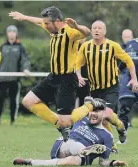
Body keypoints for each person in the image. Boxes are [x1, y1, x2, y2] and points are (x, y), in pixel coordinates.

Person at [9, 6, 90, 140]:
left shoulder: (70, 32)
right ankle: (60, 125)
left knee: (67, 121)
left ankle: (90, 106)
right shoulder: (51, 28)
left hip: (67, 79)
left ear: (57, 21)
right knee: (28, 101)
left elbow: (86, 32)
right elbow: (38, 21)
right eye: (45, 23)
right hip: (53, 77)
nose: (45, 26)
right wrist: (23, 17)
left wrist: (77, 26)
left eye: (47, 23)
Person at [75, 20, 138, 144]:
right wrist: (78, 76)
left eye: (99, 28)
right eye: (94, 28)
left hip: (111, 88)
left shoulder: (113, 46)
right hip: (94, 89)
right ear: (91, 31)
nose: (96, 30)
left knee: (105, 115)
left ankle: (121, 127)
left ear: (104, 31)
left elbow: (128, 61)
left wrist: (134, 79)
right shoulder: (85, 46)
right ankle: (112, 144)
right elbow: (77, 63)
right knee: (101, 119)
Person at [13, 98, 127, 167]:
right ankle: (84, 150)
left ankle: (31, 162)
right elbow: (70, 117)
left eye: (97, 111)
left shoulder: (108, 136)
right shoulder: (80, 118)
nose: (93, 114)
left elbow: (103, 162)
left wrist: (113, 163)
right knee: (78, 147)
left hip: (77, 158)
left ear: (104, 114)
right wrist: (86, 107)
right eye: (91, 111)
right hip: (64, 145)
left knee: (75, 161)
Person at [0, 25, 30, 125]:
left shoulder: (20, 46)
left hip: (14, 78)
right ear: (7, 34)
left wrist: (26, 69)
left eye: (13, 32)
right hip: (2, 78)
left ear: (16, 34)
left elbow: (25, 59)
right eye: (9, 32)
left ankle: (12, 120)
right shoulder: (2, 46)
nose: (11, 33)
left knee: (13, 100)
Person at [118, 22, 138, 129]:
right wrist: (117, 70)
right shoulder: (131, 43)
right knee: (125, 103)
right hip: (128, 78)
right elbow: (124, 60)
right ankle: (123, 130)